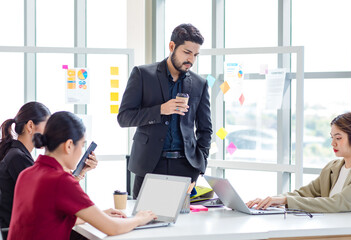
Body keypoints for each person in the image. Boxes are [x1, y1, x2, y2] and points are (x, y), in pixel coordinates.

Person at [7, 111, 156, 240]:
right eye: (82, 145)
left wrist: (100, 215)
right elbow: (113, 228)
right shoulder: (61, 180)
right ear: (69, 145)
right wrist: (139, 219)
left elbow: (51, 218)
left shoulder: (27, 174)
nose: (82, 152)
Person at [117, 23, 212, 199]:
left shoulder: (200, 83)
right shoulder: (142, 74)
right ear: (171, 46)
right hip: (149, 165)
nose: (191, 60)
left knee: (185, 225)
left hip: (186, 167)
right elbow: (124, 118)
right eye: (187, 52)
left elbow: (205, 129)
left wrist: (200, 164)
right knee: (144, 221)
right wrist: (160, 110)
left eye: (195, 55)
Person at [246, 112, 351, 216]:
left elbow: (338, 203)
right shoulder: (332, 167)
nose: (333, 143)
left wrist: (285, 201)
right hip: (336, 229)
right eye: (332, 137)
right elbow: (305, 193)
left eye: (338, 138)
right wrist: (273, 200)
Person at [0, 102, 97, 237]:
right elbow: (51, 199)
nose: (50, 133)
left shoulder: (18, 154)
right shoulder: (18, 158)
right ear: (30, 126)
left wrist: (80, 172)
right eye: (48, 126)